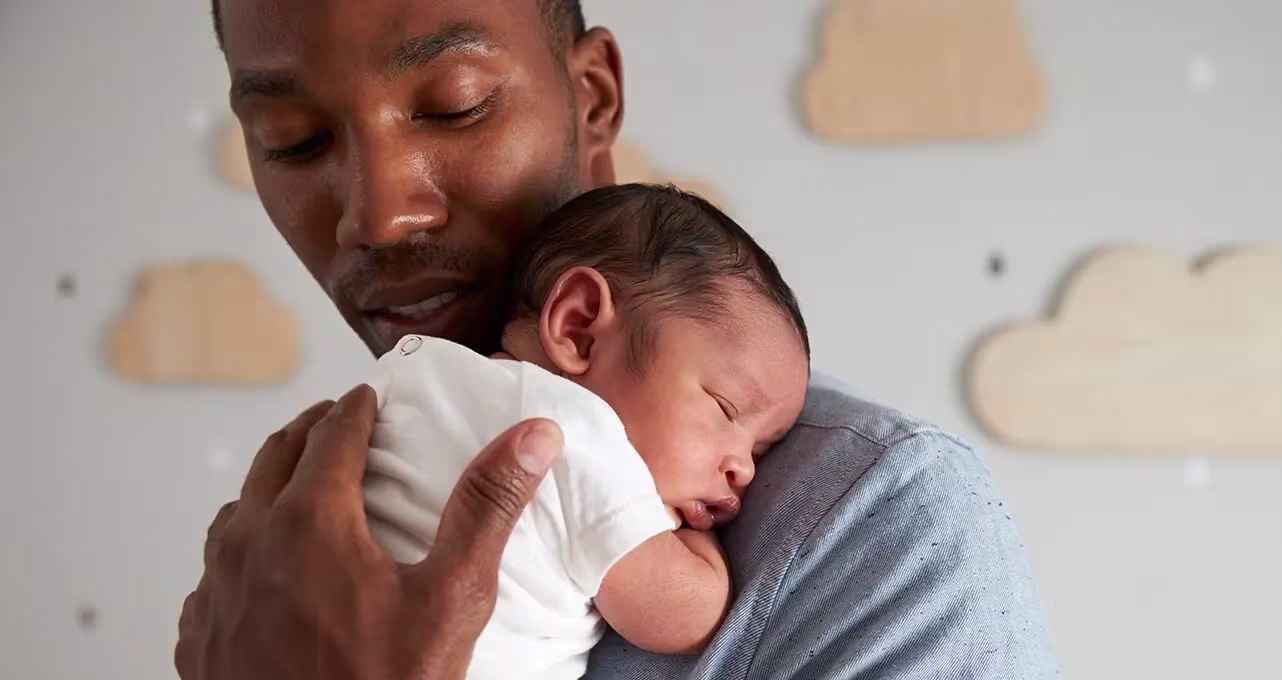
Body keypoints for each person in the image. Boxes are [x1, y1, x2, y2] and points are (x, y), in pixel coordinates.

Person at [176, 1, 1061, 678]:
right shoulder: (295, 525)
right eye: (293, 142)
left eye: (456, 105)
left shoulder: (879, 524)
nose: (377, 215)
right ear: (574, 322)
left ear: (591, 97)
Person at [363, 185, 810, 678]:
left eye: (763, 449)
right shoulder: (577, 433)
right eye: (726, 408)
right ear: (578, 328)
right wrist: (687, 538)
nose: (744, 467)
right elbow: (685, 618)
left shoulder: (415, 374)